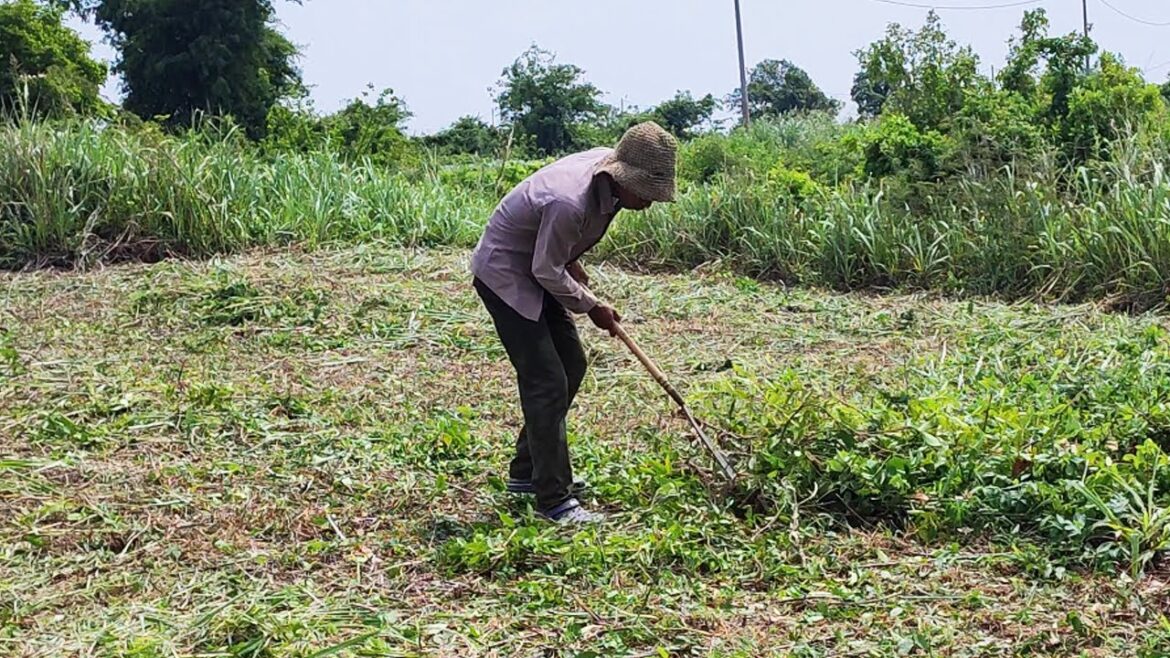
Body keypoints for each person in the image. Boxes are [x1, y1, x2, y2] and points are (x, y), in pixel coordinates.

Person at [471, 122, 679, 523]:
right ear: (621, 178)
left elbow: (553, 245)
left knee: (572, 365)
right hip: (506, 274)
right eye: (647, 193)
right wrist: (592, 306)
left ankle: (526, 473)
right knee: (546, 379)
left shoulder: (605, 182)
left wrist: (572, 259)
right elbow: (546, 267)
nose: (650, 203)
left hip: (538, 267)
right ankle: (554, 500)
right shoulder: (570, 200)